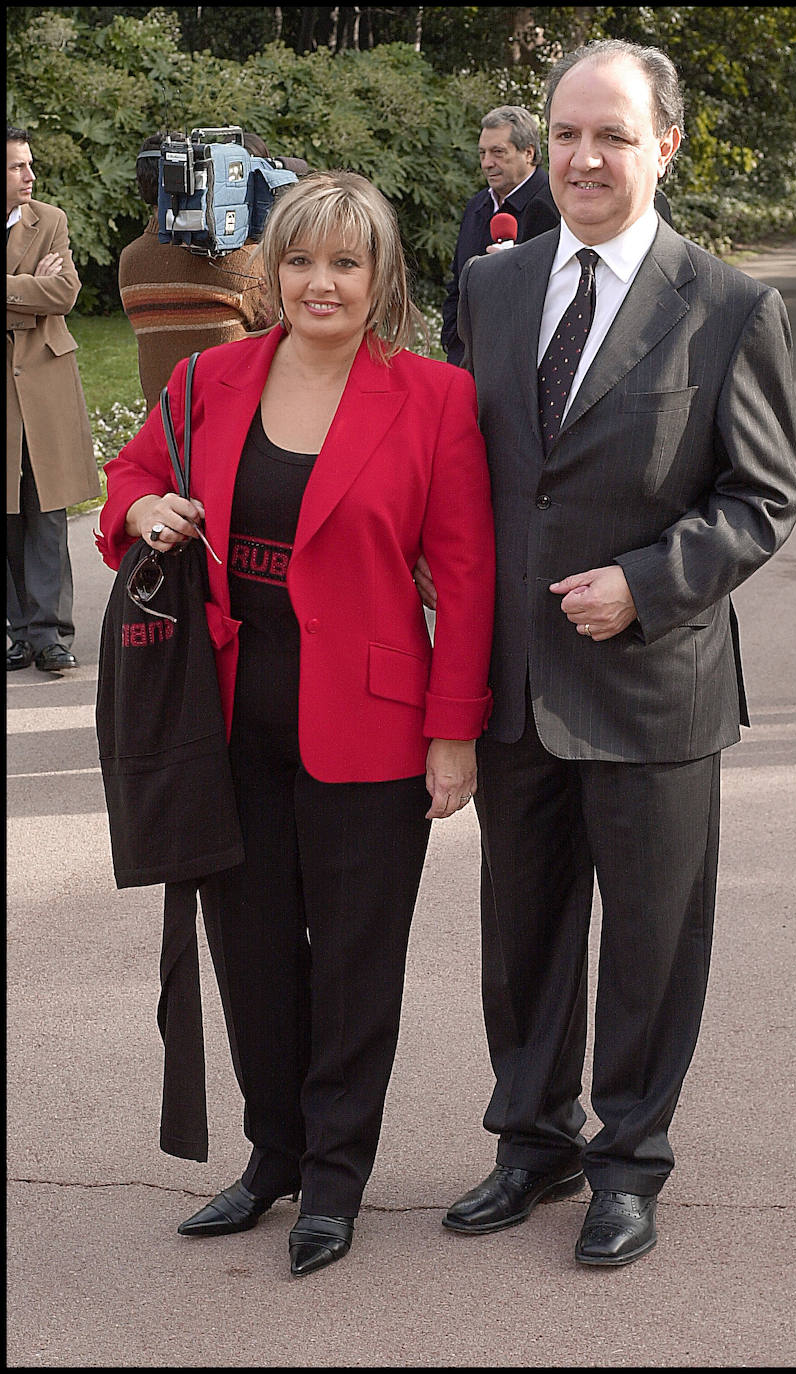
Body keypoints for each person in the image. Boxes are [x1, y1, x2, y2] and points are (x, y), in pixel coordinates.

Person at [416, 38, 796, 1267]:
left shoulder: (729, 304)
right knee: (521, 933)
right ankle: (530, 1142)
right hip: (516, 684)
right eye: (568, 132)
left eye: (613, 136)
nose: (584, 157)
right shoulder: (492, 286)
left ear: (664, 146)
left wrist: (645, 585)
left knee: (648, 941)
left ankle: (627, 1163)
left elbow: (762, 498)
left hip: (653, 686)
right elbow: (462, 466)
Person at [96, 169, 495, 1278]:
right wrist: (139, 506)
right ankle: (273, 1154)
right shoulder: (213, 379)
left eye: (346, 263)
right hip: (224, 720)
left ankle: (335, 1176)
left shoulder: (433, 398)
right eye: (302, 260)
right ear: (272, 273)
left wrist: (452, 730)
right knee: (253, 952)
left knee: (356, 961)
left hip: (371, 724)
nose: (321, 282)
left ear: (382, 279)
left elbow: (465, 579)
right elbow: (128, 474)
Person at [7, 124, 99, 672]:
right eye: (18, 166)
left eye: (30, 164)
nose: (30, 175)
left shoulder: (52, 221)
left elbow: (63, 294)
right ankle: (16, 632)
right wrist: (26, 288)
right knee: (7, 511)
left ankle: (50, 635)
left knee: (45, 506)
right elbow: (42, 295)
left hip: (42, 381)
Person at [118, 132, 278, 412]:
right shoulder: (242, 262)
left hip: (164, 428)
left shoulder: (130, 259)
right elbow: (282, 333)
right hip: (234, 427)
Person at [440, 106, 560, 366]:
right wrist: (452, 340)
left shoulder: (557, 205)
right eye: (482, 153)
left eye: (498, 152)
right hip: (466, 361)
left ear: (528, 153)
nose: (487, 163)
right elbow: (457, 283)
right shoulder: (476, 206)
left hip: (521, 365)